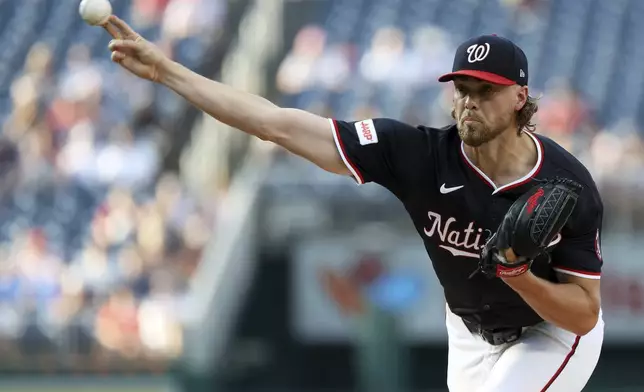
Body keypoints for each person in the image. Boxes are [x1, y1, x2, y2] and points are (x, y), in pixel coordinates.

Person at [102, 16, 604, 392]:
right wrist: (167, 72)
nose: (469, 100)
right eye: (461, 88)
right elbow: (274, 123)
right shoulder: (417, 154)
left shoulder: (565, 185)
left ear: (520, 96)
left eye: (486, 90)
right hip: (470, 333)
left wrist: (520, 276)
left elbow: (582, 315)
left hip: (550, 333)